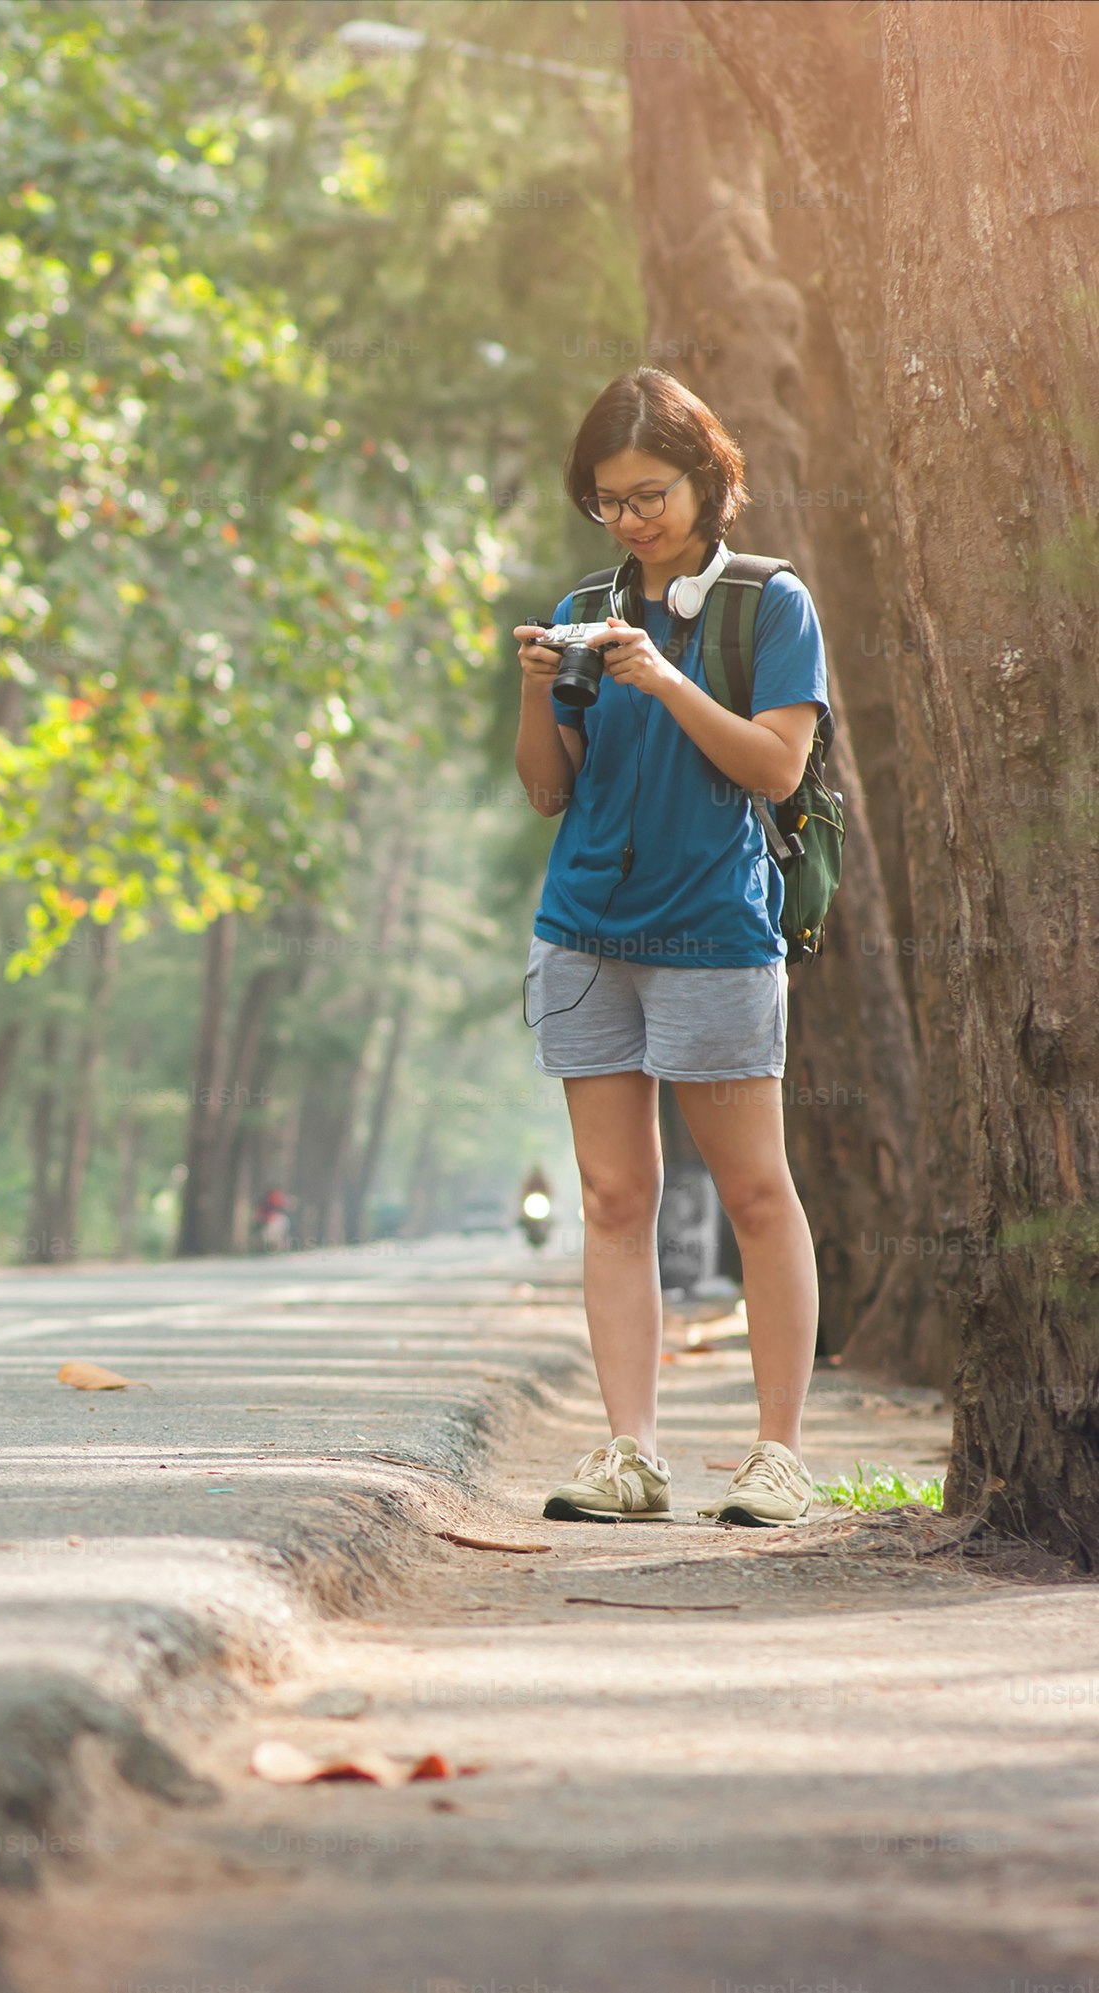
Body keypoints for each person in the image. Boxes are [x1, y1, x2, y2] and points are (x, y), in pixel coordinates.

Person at [511, 369, 825, 1529]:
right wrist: (540, 689)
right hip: (585, 932)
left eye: (651, 494)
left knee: (752, 1189)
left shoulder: (765, 603)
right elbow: (550, 792)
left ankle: (779, 1452)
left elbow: (775, 767)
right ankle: (628, 1451)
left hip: (715, 933)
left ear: (706, 478)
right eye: (609, 501)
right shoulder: (588, 599)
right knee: (609, 1194)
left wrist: (666, 678)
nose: (633, 520)